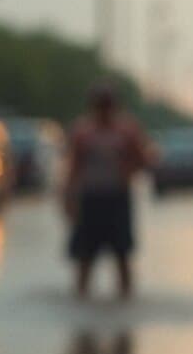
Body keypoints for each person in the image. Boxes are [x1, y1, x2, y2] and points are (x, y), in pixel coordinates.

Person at [64, 83, 153, 300]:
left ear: (115, 106)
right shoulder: (83, 132)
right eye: (100, 104)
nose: (104, 109)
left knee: (121, 255)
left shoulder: (127, 131)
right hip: (91, 197)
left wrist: (128, 170)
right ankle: (82, 299)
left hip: (117, 197)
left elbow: (144, 159)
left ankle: (125, 299)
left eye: (107, 104)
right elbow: (73, 168)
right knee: (85, 256)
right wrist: (69, 199)